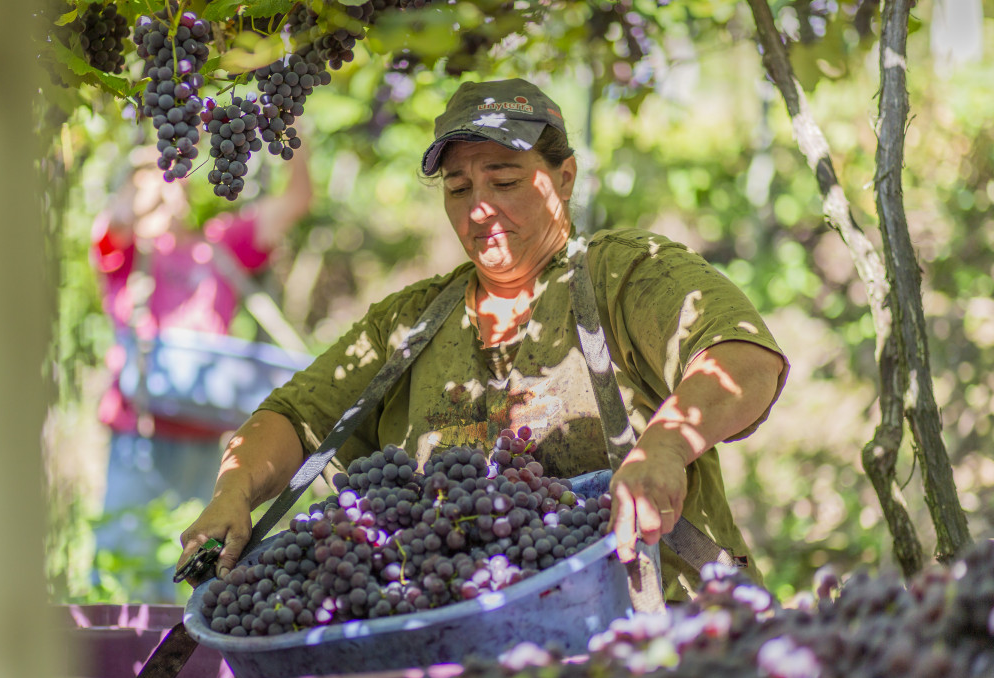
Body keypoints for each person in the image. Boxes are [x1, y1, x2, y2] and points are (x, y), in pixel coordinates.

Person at [175, 78, 788, 601]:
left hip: (656, 634)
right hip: (464, 646)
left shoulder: (624, 274)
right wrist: (233, 493)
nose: (479, 209)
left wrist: (665, 447)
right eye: (459, 188)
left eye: (506, 181)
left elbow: (743, 358)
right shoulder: (408, 323)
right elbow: (293, 416)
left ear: (564, 178)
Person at [90, 144, 312, 602]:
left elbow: (296, 201)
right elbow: (115, 222)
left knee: (196, 561)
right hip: (138, 430)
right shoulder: (126, 252)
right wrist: (147, 179)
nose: (162, 188)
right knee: (123, 558)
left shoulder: (218, 245)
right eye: (147, 181)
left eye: (171, 179)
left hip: (205, 434)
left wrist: (295, 135)